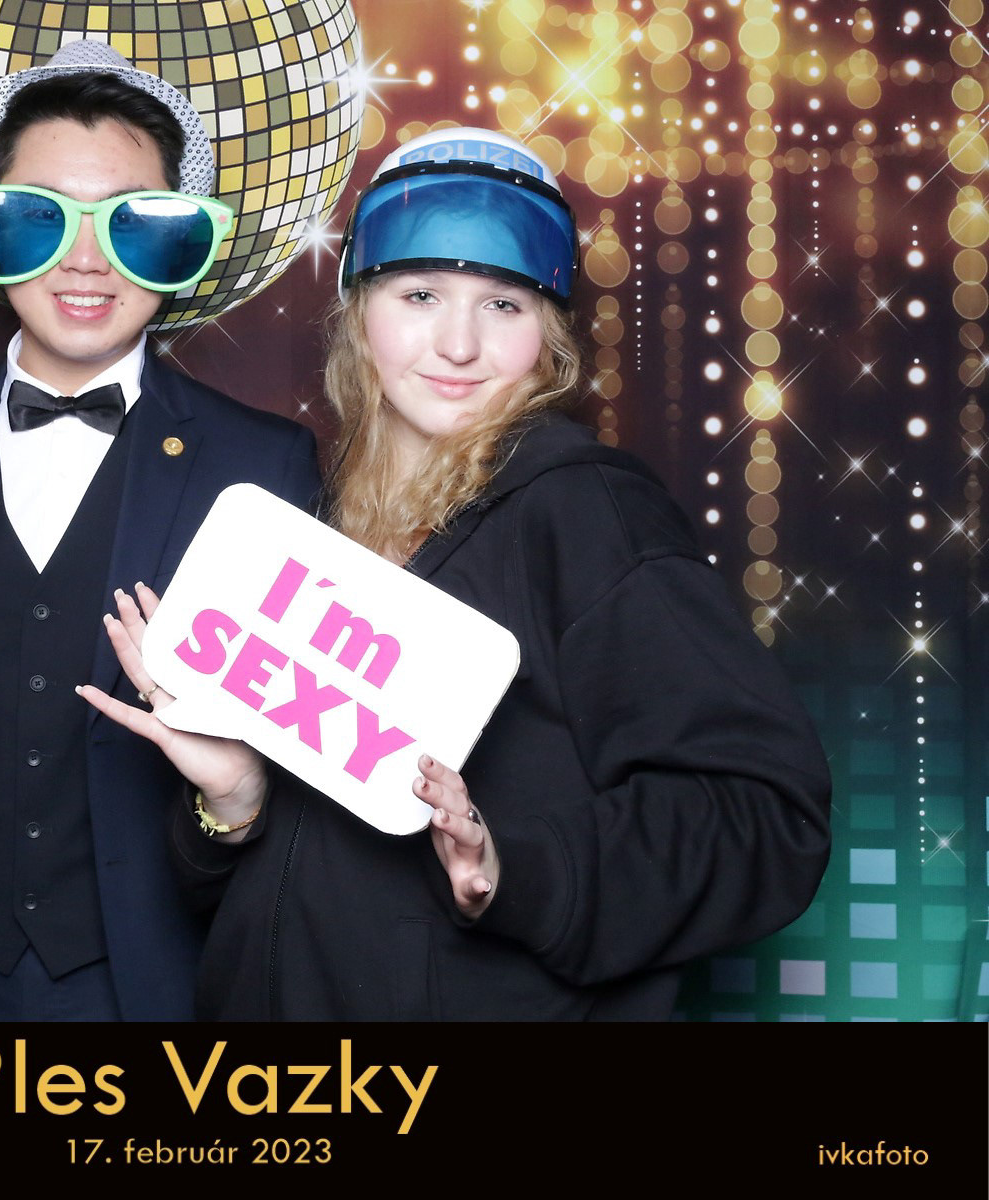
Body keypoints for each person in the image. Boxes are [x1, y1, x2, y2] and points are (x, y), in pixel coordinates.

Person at [79, 128, 832, 1020]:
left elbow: (765, 818)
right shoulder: (314, 518)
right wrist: (233, 801)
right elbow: (285, 894)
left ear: (549, 337)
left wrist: (513, 869)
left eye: (503, 305)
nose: (459, 344)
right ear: (359, 311)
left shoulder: (586, 512)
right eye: (422, 295)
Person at [0, 41, 321, 1020]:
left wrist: (233, 805)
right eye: (41, 217)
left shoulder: (266, 467)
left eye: (132, 224)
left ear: (180, 241)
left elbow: (295, 790)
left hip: (167, 987)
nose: (85, 261)